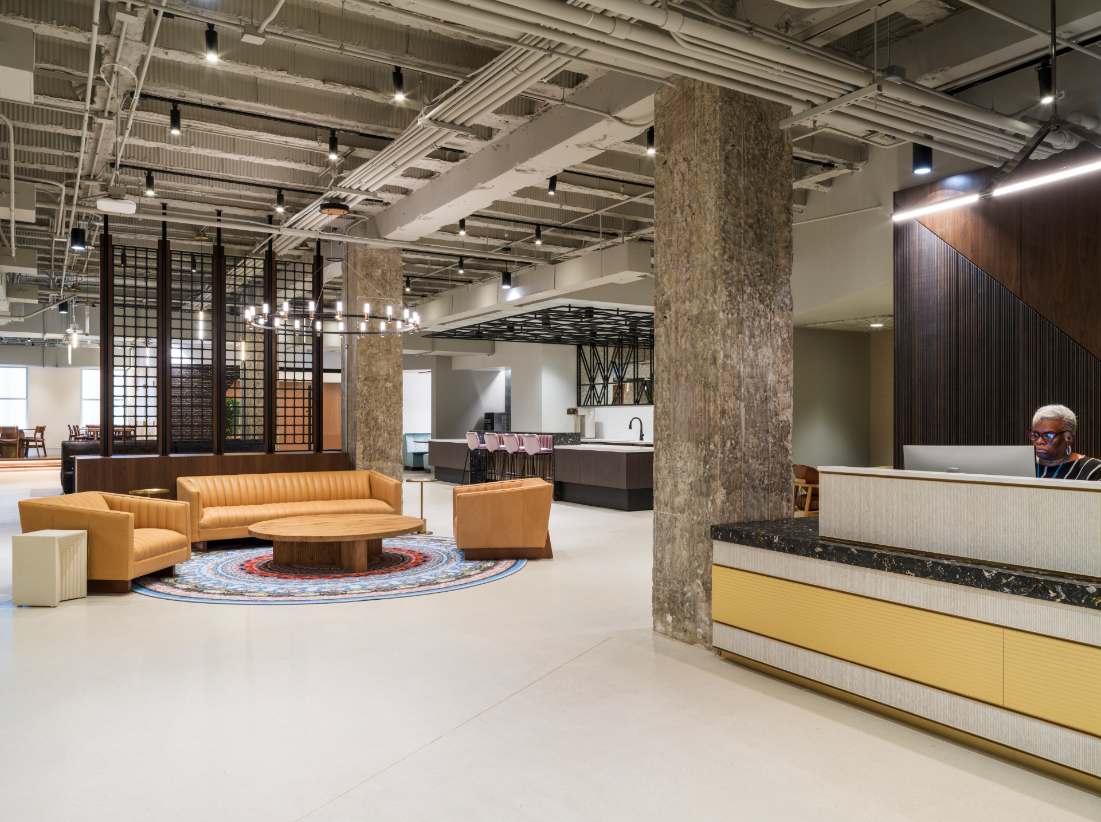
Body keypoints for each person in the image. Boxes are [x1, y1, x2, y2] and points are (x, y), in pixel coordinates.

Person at [1029, 404, 1101, 480]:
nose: (1039, 441)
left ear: (1069, 438)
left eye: (1049, 435)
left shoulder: (1093, 469)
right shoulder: (1022, 464)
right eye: (1035, 434)